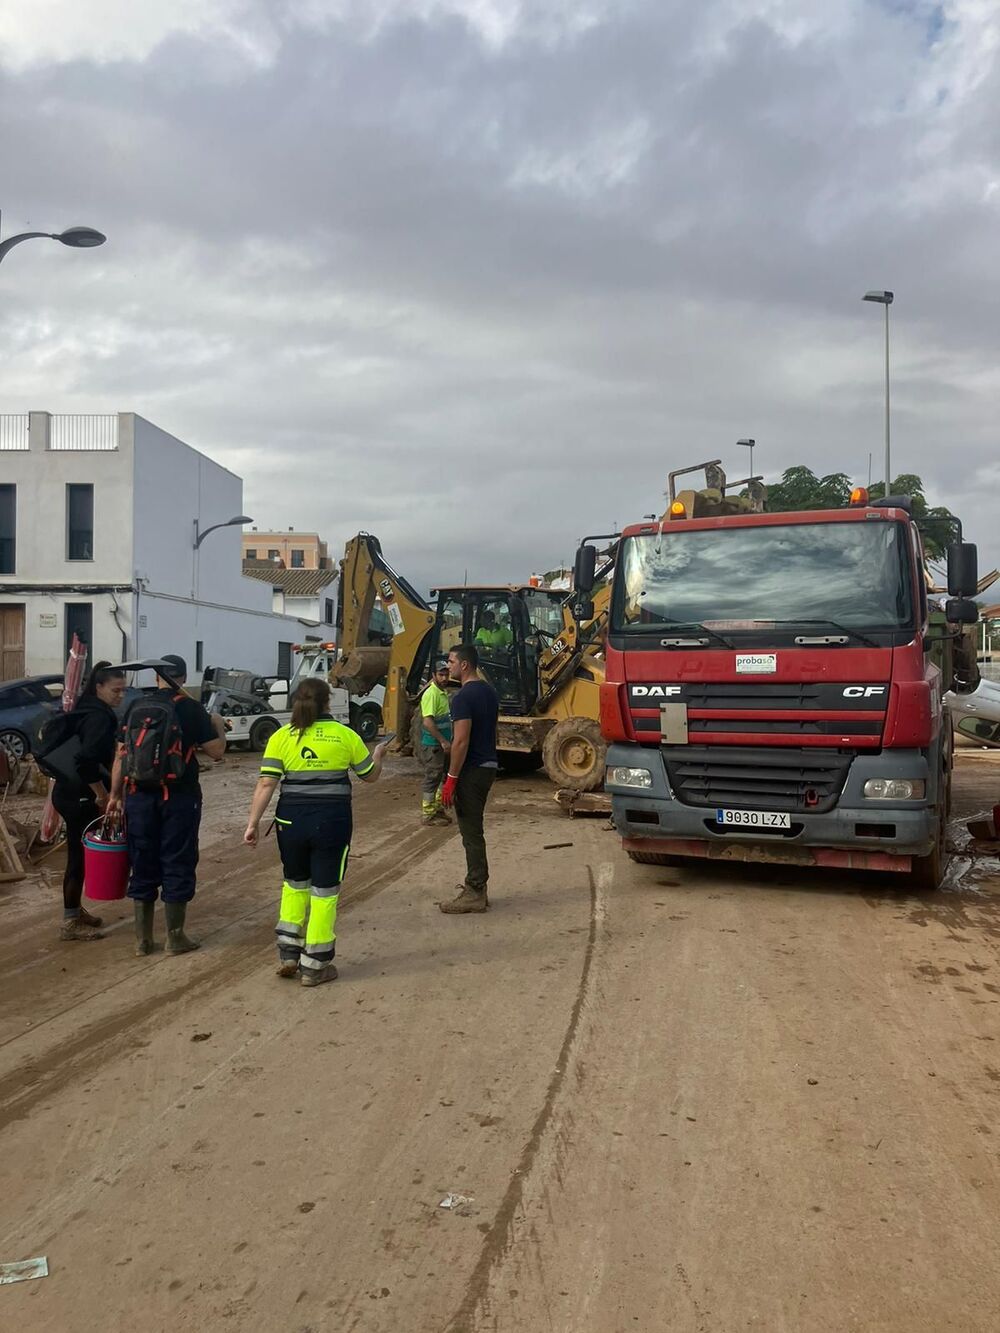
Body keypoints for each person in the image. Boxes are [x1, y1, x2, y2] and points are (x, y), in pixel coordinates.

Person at [243, 677, 389, 986]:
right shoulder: (344, 735)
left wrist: (253, 822)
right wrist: (377, 756)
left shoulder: (282, 736)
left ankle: (288, 953)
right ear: (327, 702)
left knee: (294, 884)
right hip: (331, 822)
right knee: (324, 891)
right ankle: (315, 965)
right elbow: (370, 777)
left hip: (290, 821)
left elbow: (267, 783)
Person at [108, 654, 226, 956]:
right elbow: (216, 752)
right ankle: (175, 937)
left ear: (156, 678)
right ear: (183, 678)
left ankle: (143, 940)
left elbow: (122, 755)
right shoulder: (190, 707)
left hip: (138, 797)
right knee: (178, 858)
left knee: (143, 860)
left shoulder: (135, 706)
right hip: (178, 797)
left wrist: (114, 796)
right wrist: (216, 725)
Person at [51, 661, 127, 941]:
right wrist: (102, 795)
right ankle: (70, 923)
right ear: (99, 687)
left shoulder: (89, 709)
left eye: (123, 691)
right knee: (77, 857)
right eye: (115, 690)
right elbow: (84, 761)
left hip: (68, 791)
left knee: (80, 855)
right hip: (79, 795)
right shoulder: (98, 717)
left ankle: (75, 911)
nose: (120, 696)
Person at [439, 644, 499, 913]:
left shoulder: (463, 698)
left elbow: (460, 740)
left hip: (471, 770)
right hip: (488, 765)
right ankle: (477, 888)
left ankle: (475, 890)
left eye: (451, 661)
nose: (447, 666)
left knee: (471, 832)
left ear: (464, 665)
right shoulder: (489, 692)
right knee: (474, 830)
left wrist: (451, 778)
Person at [418, 658, 453, 826]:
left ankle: (438, 809)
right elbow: (428, 722)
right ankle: (428, 814)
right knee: (432, 778)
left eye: (446, 674)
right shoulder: (431, 694)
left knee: (441, 777)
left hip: (440, 744)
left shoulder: (442, 692)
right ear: (433, 675)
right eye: (441, 675)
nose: (445, 678)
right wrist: (443, 741)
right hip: (433, 745)